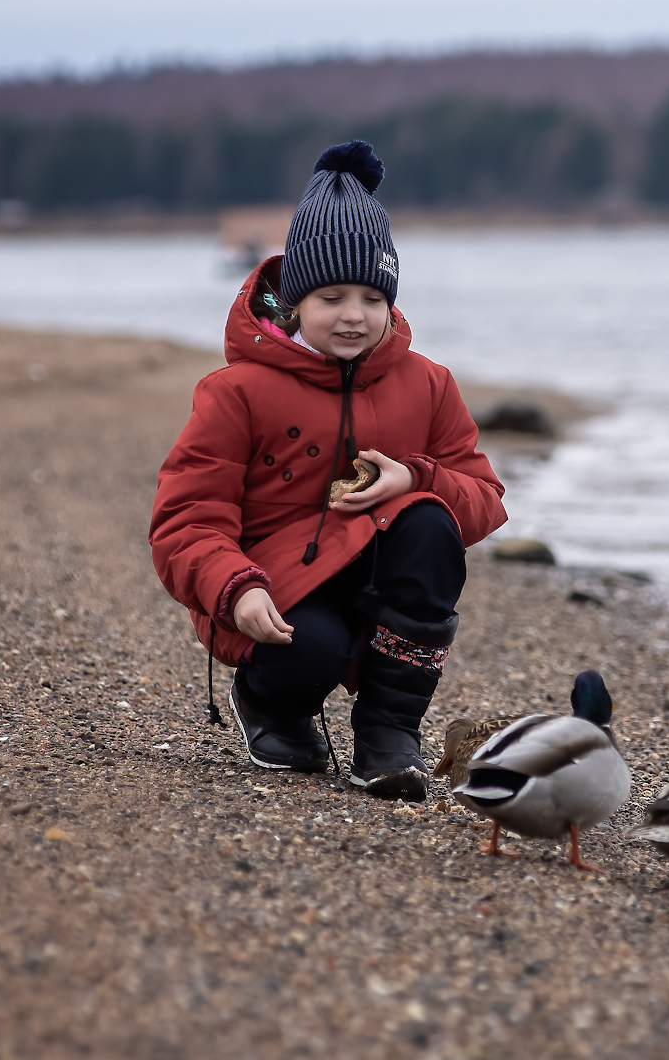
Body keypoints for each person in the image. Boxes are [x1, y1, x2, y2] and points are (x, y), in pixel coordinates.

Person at [150, 141, 506, 800]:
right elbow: (184, 522)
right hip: (271, 587)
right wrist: (236, 589)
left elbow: (485, 497)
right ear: (293, 301)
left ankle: (389, 729)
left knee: (430, 523)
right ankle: (272, 707)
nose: (353, 315)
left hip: (375, 577)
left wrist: (417, 478)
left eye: (373, 296)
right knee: (310, 645)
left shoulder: (428, 384)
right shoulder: (236, 391)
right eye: (332, 295)